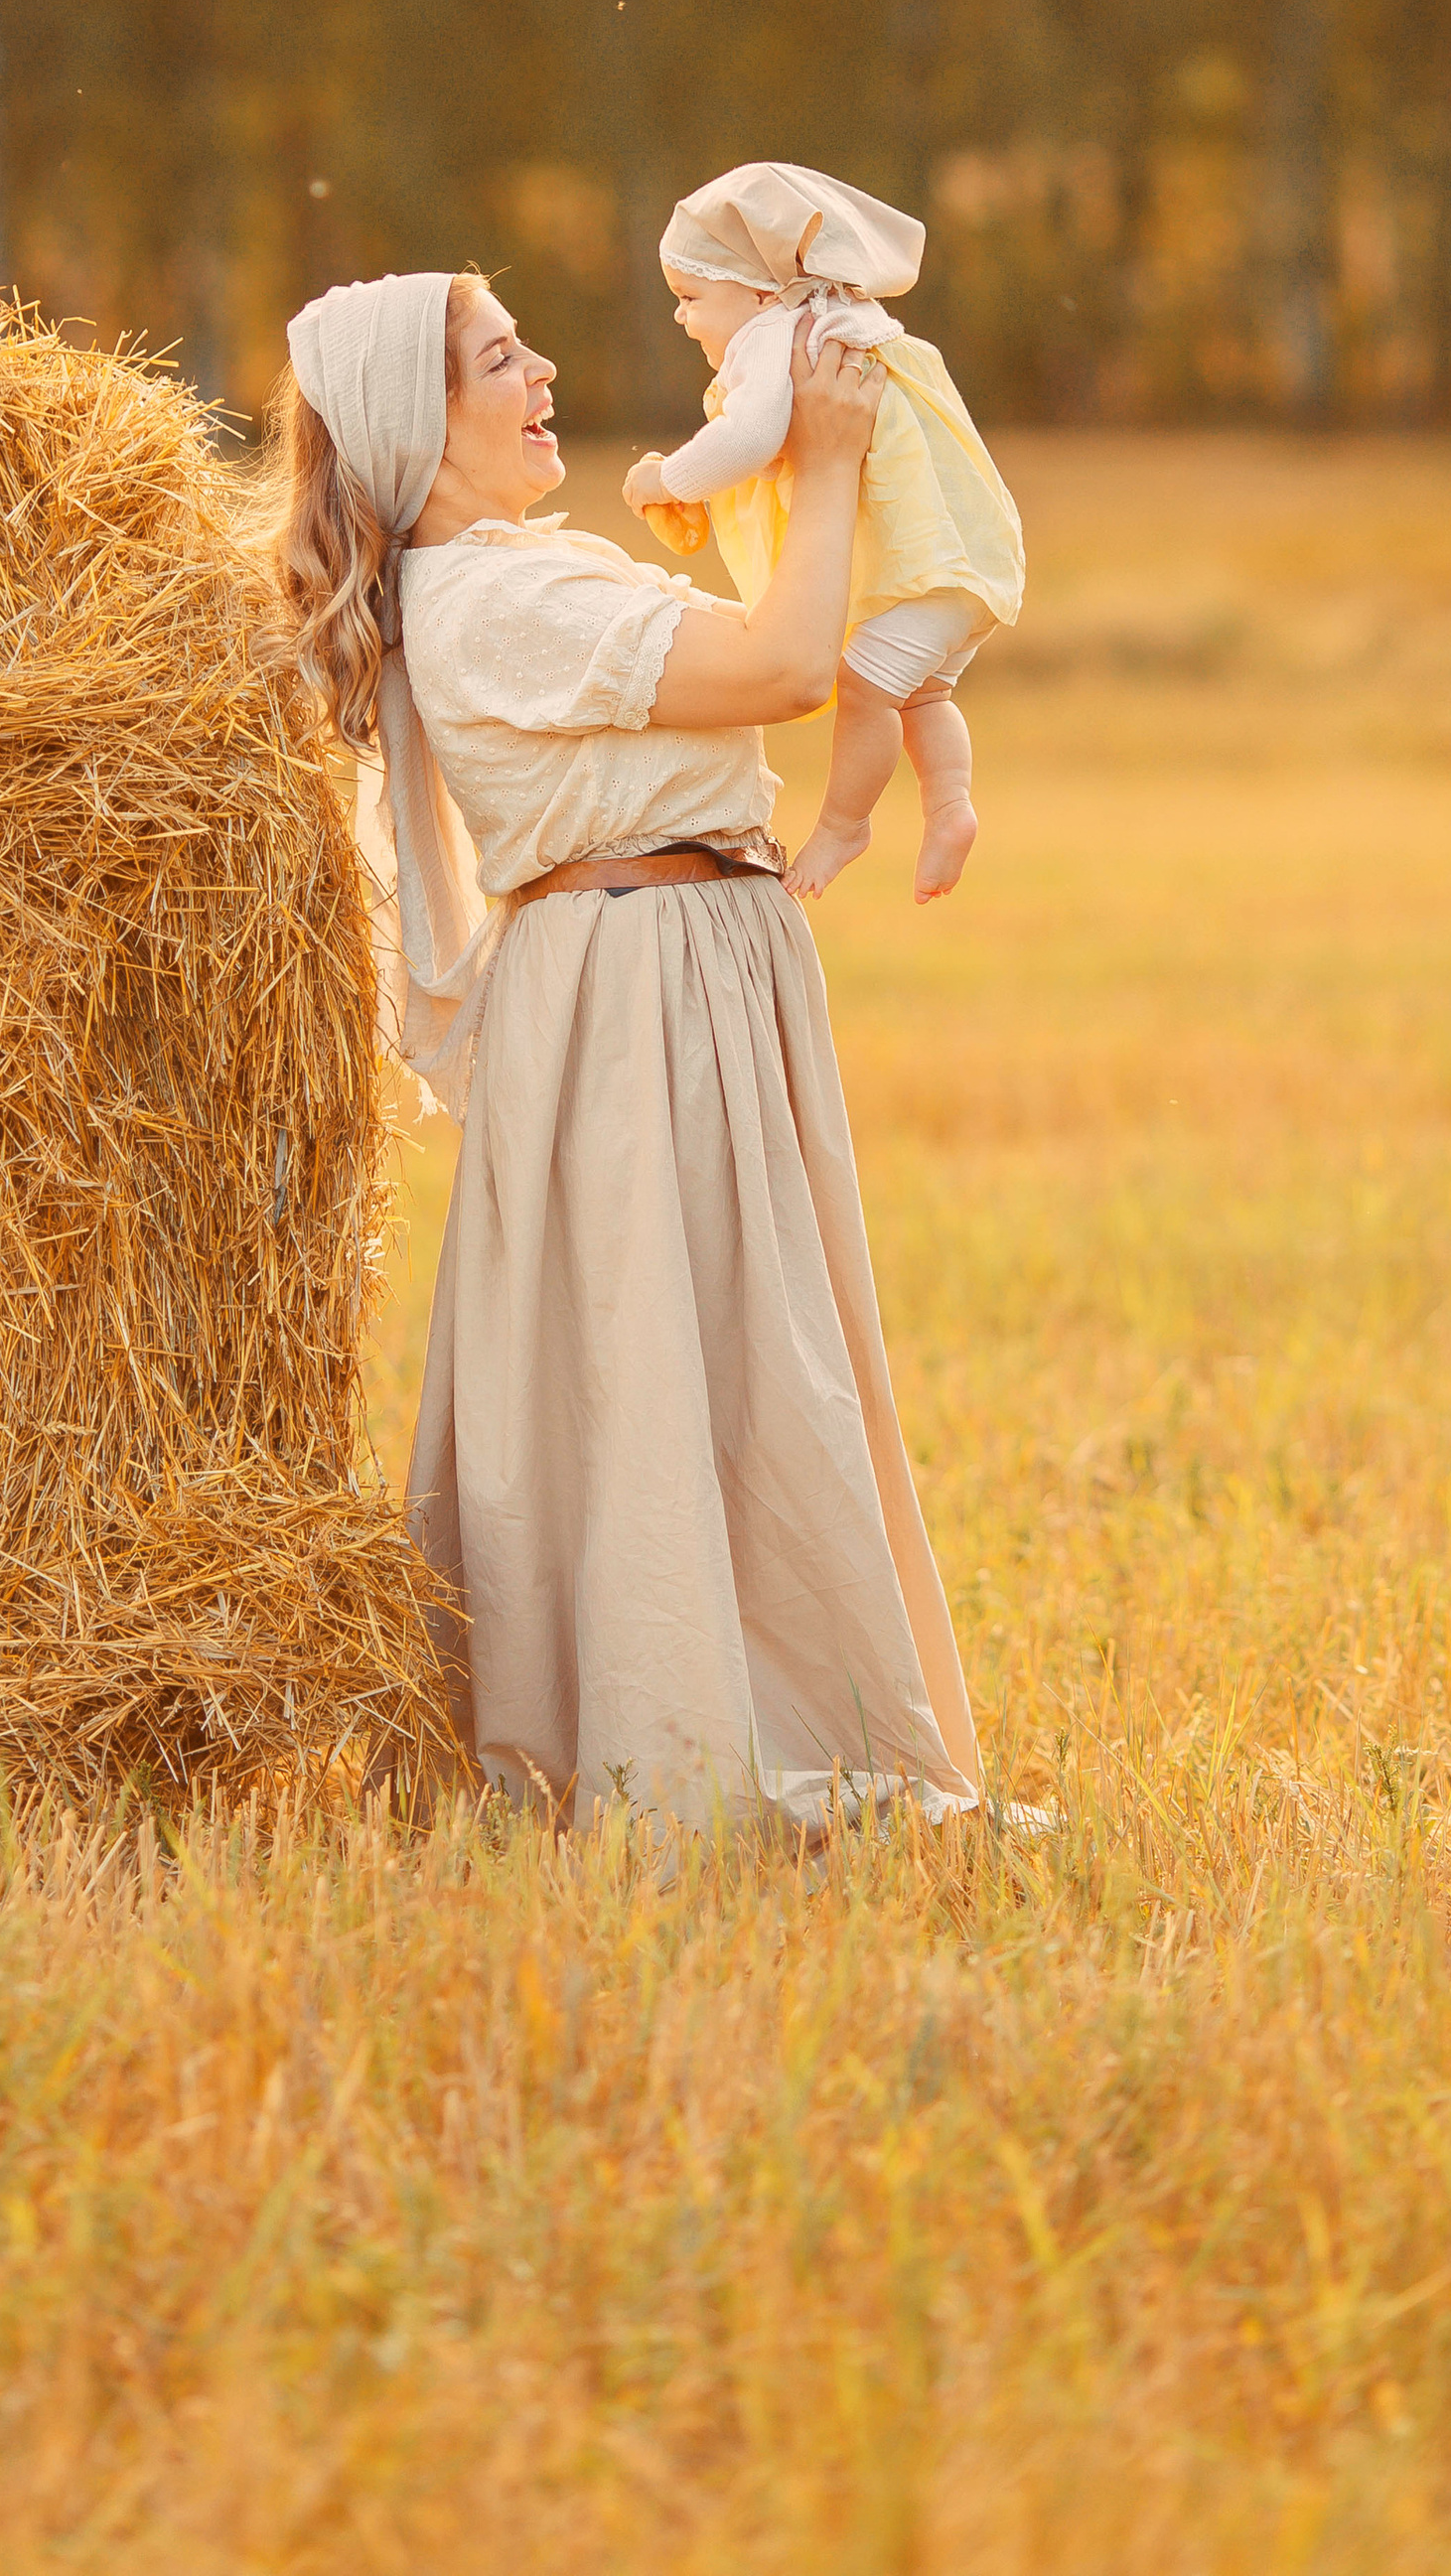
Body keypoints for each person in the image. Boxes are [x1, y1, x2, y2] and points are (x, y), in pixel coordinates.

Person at [268, 263, 979, 1838]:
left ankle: (770, 1714)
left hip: (687, 970)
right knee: (679, 1363)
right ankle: (690, 1752)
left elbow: (794, 640)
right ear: (416, 420)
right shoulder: (498, 599)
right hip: (632, 994)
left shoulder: (539, 568)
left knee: (735, 1361)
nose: (544, 379)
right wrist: (837, 454)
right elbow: (790, 670)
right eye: (500, 360)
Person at [619, 162, 1026, 905]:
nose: (682, 317)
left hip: (921, 566)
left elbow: (750, 436)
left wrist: (664, 479)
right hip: (962, 558)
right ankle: (950, 807)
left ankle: (845, 825)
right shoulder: (850, 320)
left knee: (864, 692)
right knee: (922, 698)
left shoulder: (776, 332)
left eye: (690, 297)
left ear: (761, 289)